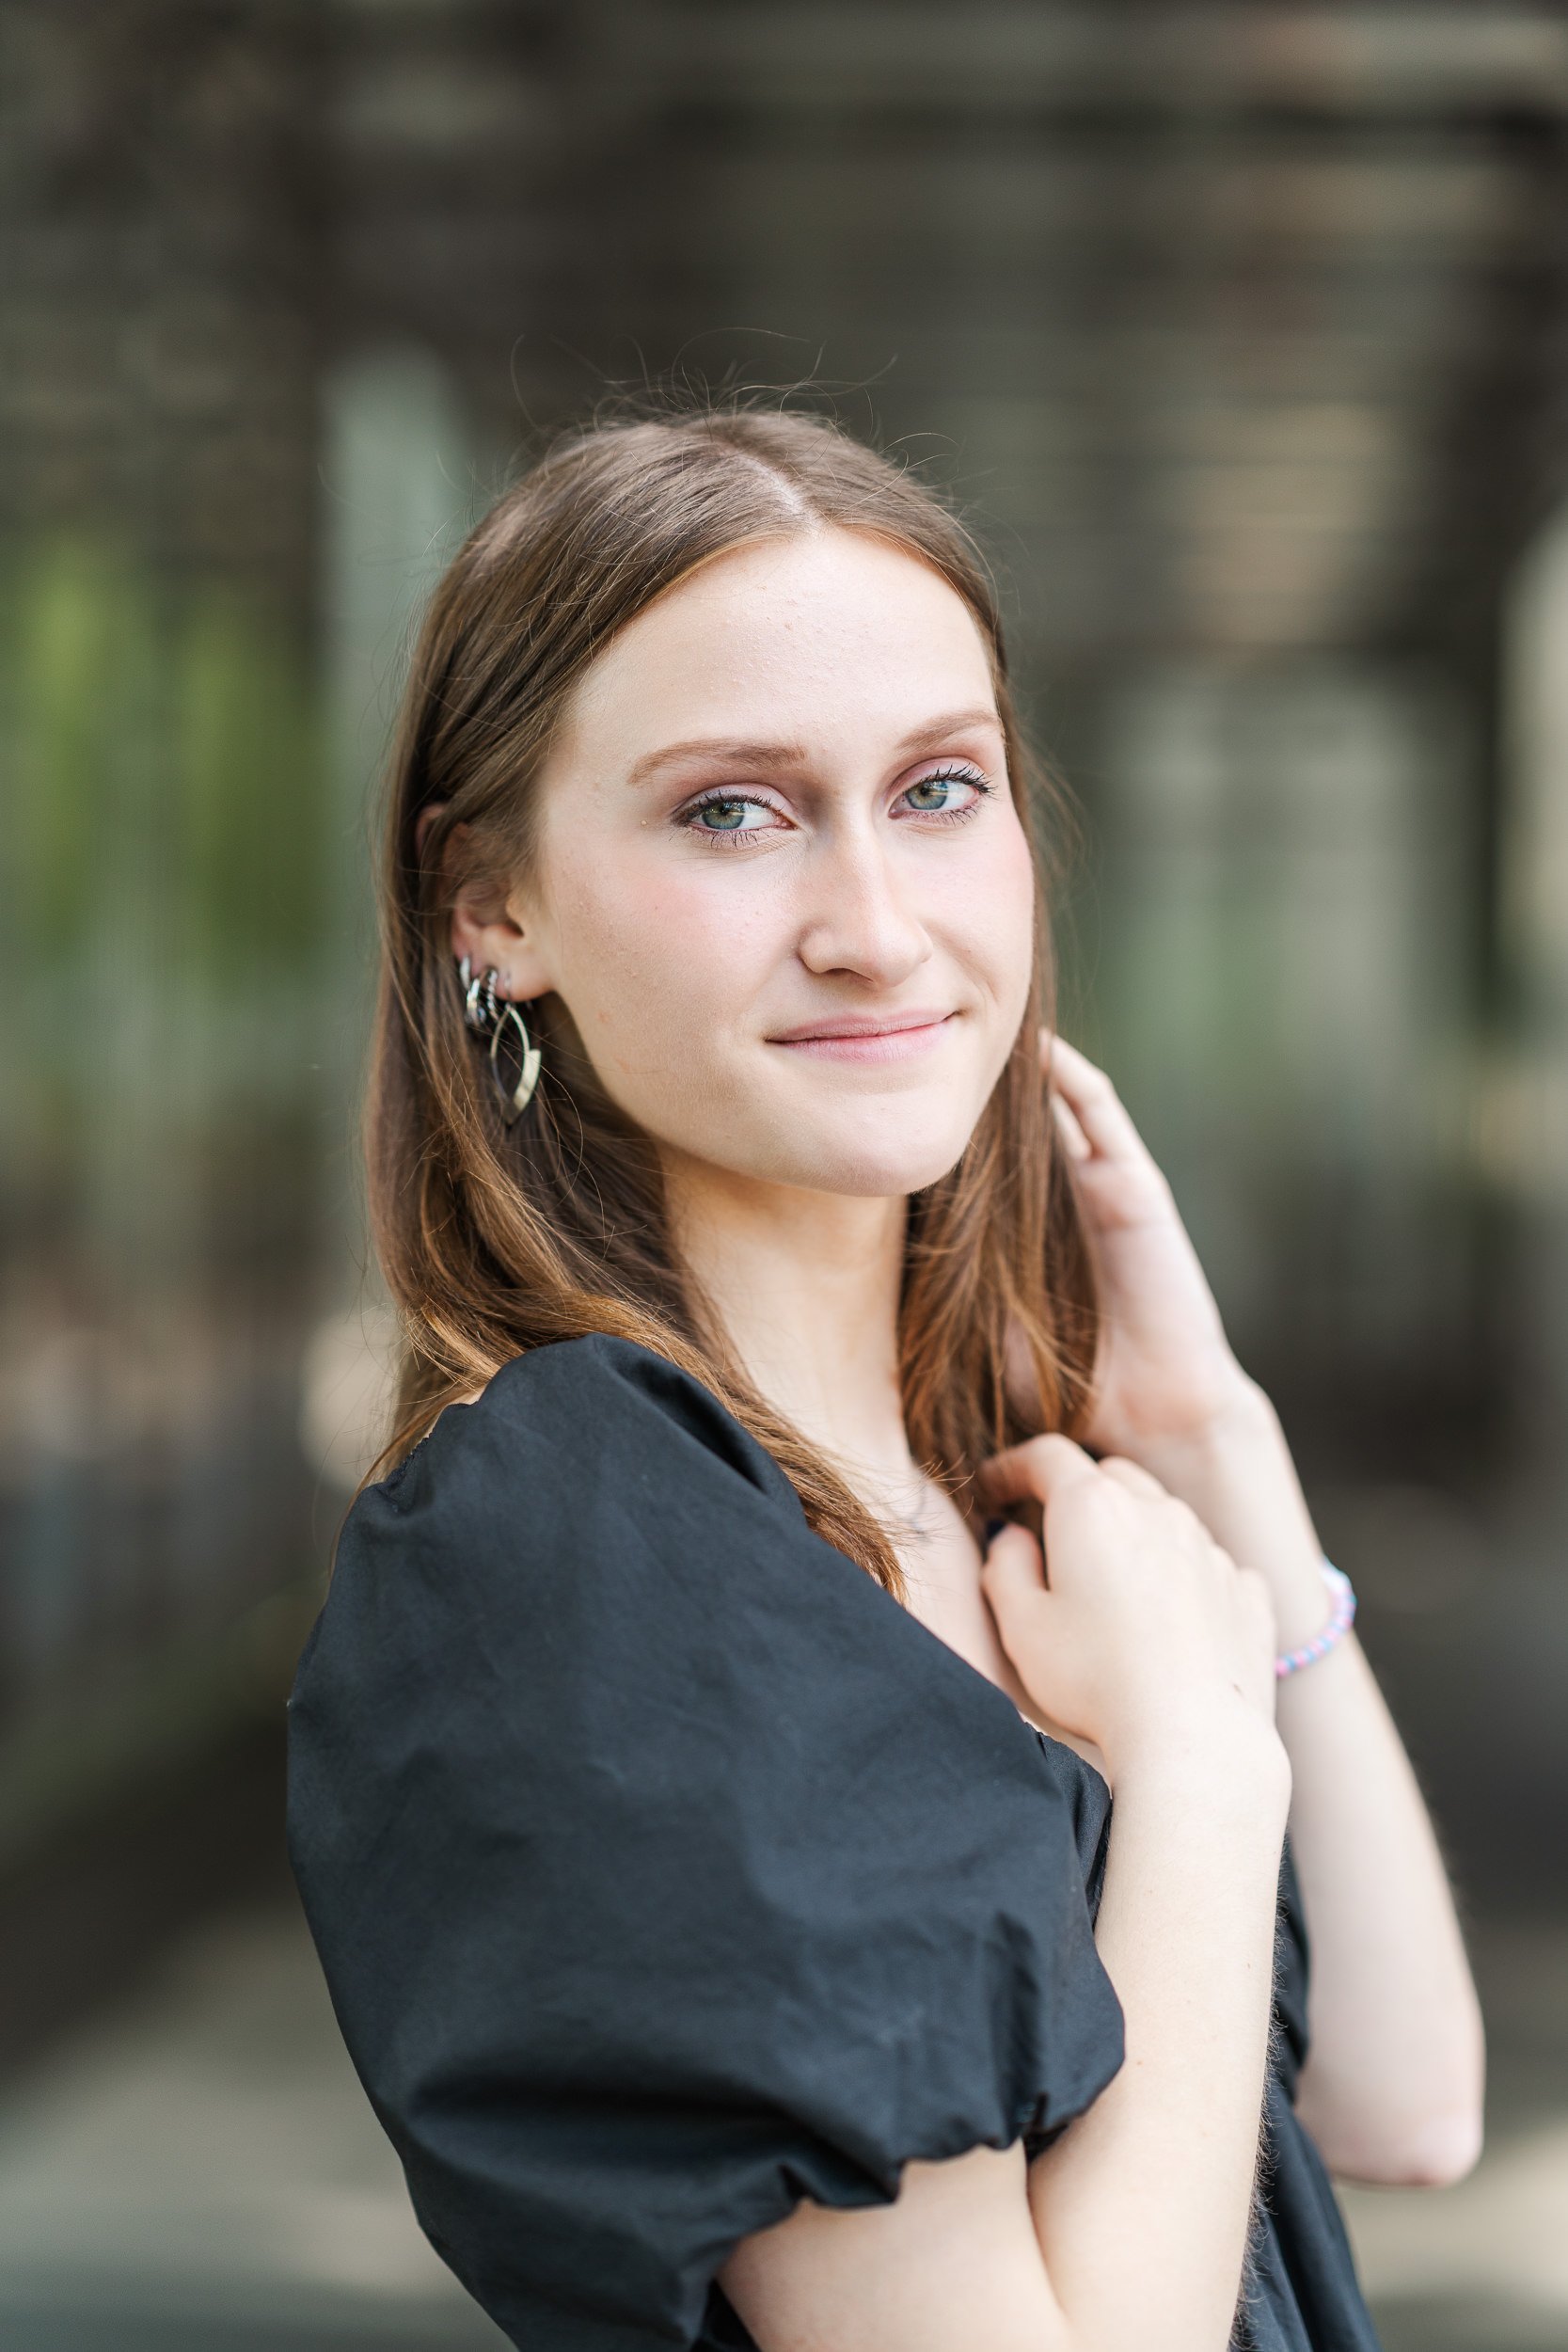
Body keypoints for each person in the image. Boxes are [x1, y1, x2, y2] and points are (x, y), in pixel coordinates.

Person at [285, 404, 1485, 2352]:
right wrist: (1184, 1765)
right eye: (732, 811)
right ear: (489, 906)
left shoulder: (1000, 1489)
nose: (875, 926)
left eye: (939, 788)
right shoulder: (592, 1533)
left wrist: (1210, 1440)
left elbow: (1404, 2096)